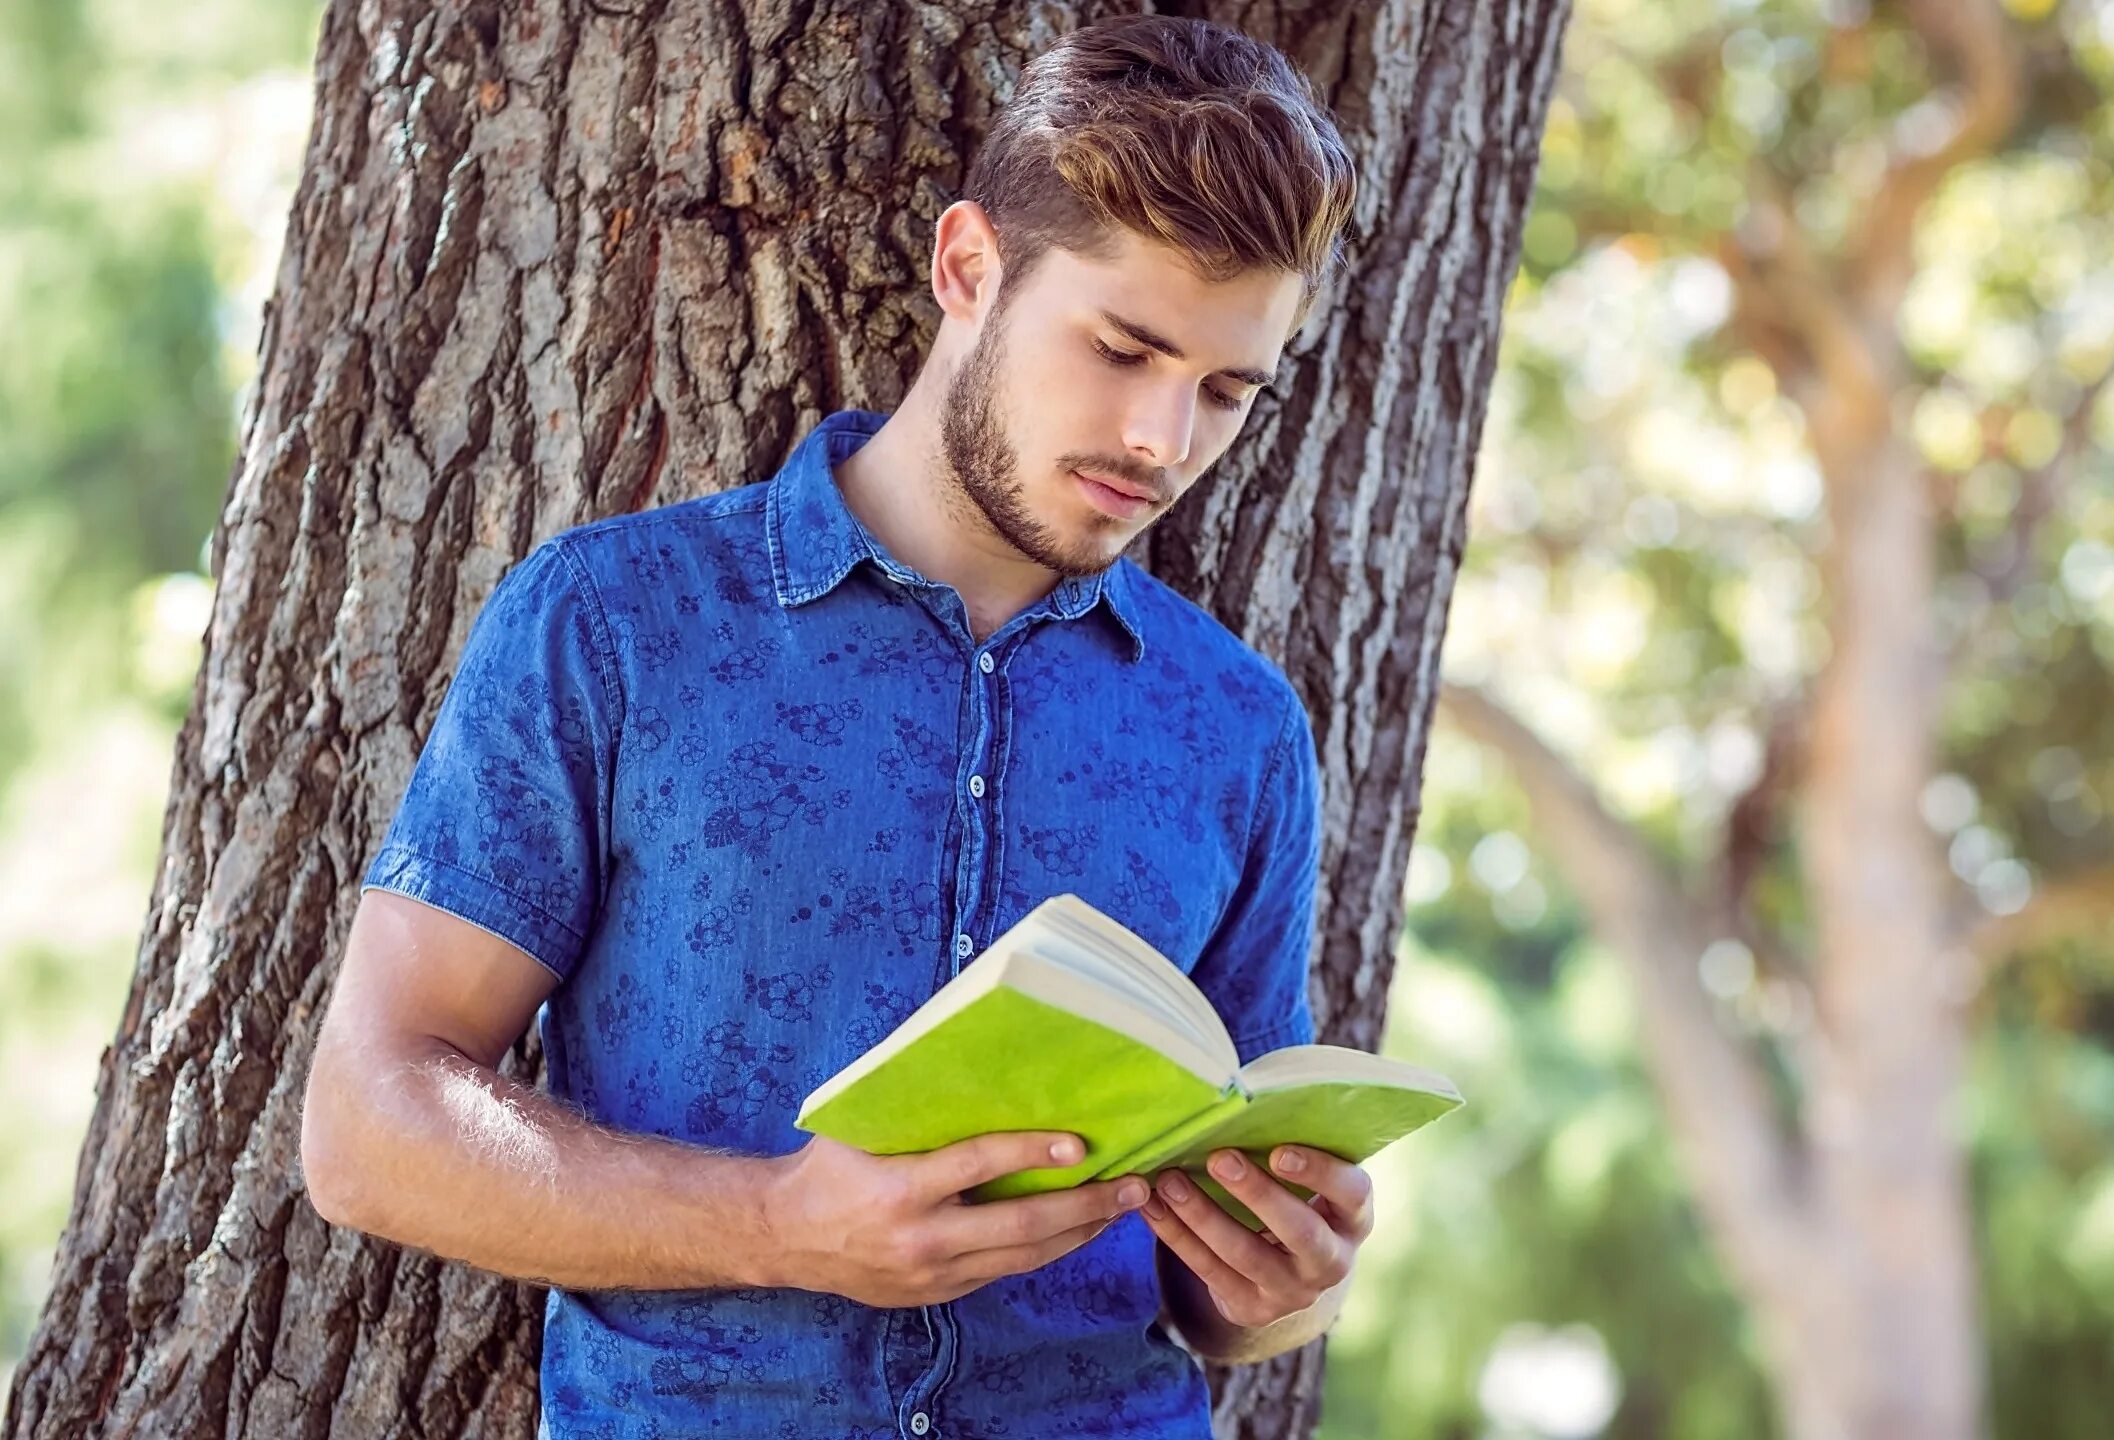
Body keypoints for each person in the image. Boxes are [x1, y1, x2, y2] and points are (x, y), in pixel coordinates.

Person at [298, 14, 1371, 1436]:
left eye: (1224, 392)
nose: (1162, 442)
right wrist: (778, 1225)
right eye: (1123, 350)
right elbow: (370, 1124)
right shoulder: (617, 624)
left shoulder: (1240, 730)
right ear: (969, 270)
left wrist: (1284, 1277)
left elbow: (1223, 1304)